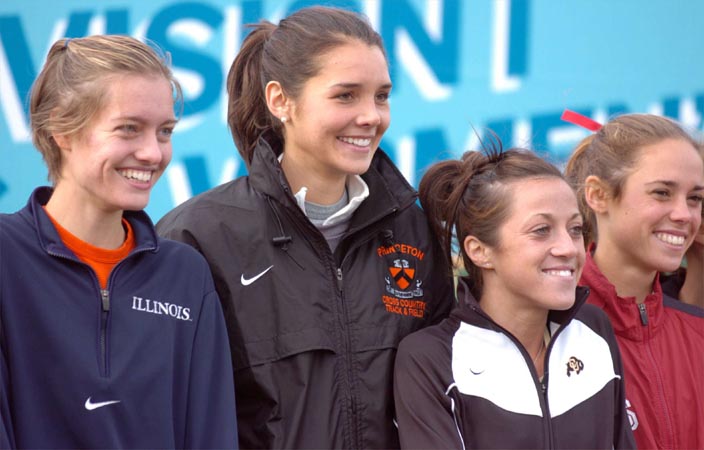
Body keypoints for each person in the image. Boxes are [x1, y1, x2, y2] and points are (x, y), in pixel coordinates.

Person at [156, 6, 454, 449]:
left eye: (381, 96)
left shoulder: (414, 229)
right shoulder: (198, 236)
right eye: (345, 96)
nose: (372, 116)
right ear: (280, 101)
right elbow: (167, 412)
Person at [0, 35, 237, 449]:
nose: (152, 153)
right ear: (62, 129)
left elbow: (210, 435)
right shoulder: (6, 257)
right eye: (129, 129)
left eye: (164, 131)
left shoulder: (185, 274)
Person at [393, 144, 635, 449]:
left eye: (575, 229)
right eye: (541, 230)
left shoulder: (594, 330)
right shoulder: (430, 358)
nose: (568, 248)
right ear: (479, 251)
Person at [564, 113, 704, 449]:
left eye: (695, 198)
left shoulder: (696, 331)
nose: (684, 214)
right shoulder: (549, 326)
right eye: (661, 193)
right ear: (597, 195)